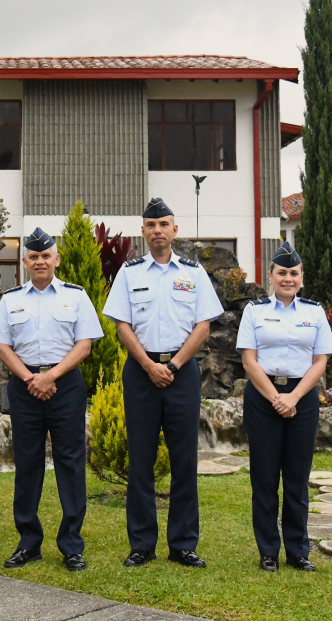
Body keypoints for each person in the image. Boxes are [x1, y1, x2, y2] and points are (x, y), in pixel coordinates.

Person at [102, 198, 223, 568]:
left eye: (164, 224)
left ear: (175, 229)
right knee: (141, 460)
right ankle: (142, 544)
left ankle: (183, 544)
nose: (158, 230)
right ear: (143, 231)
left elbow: (204, 324)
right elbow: (121, 324)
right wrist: (148, 365)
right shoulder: (130, 272)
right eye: (151, 225)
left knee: (185, 459)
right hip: (141, 372)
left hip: (182, 372)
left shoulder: (193, 272)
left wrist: (174, 364)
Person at [0, 228, 103, 572]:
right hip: (25, 387)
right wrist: (30, 378)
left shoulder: (76, 296)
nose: (40, 261)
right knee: (28, 464)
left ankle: (71, 545)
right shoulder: (11, 299)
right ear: (25, 261)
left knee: (70, 465)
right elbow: (2, 347)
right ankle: (28, 543)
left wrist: (51, 377)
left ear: (57, 259)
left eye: (45, 255)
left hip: (64, 386)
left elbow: (84, 344)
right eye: (34, 257)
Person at [236, 242, 332, 572]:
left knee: (296, 477)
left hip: (302, 398)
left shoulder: (314, 312)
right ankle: (268, 550)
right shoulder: (254, 311)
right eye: (282, 273)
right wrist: (276, 398)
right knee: (264, 477)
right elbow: (249, 361)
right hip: (264, 397)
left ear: (302, 277)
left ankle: (298, 550)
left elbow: (320, 361)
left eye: (294, 273)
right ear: (271, 275)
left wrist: (293, 398)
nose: (288, 278)